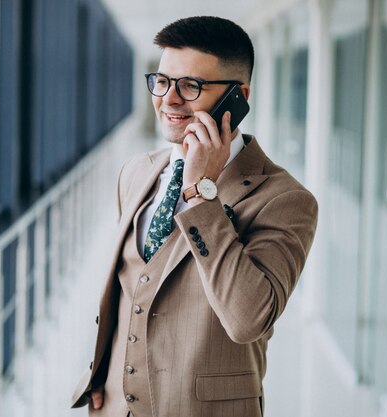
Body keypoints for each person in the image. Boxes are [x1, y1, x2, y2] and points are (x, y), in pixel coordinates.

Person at [71, 16, 318, 417]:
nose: (168, 99)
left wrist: (201, 193)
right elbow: (127, 291)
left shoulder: (285, 199)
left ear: (238, 98)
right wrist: (100, 373)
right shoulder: (135, 171)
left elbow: (247, 319)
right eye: (163, 81)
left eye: (191, 86)